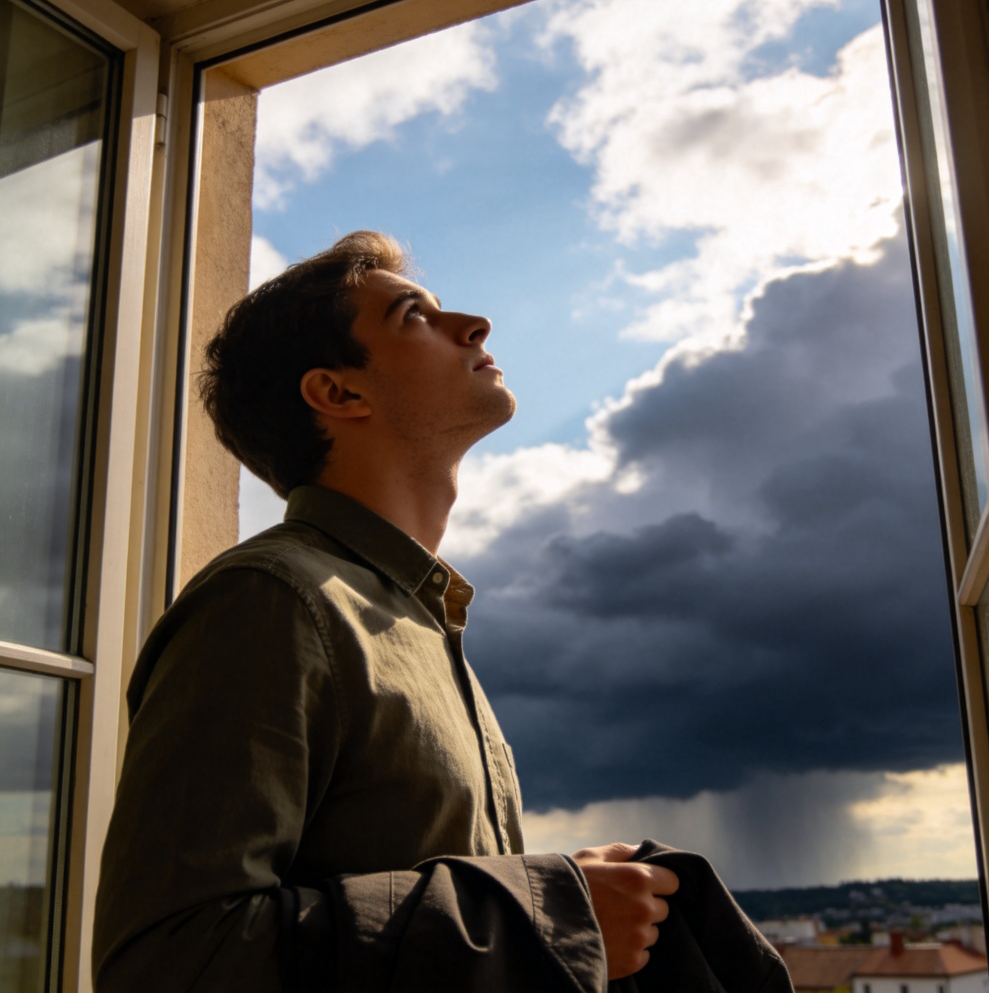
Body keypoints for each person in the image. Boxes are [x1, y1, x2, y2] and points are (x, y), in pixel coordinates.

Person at [92, 231, 680, 992]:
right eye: (414, 316)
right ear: (338, 394)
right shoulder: (270, 602)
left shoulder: (417, 618)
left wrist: (558, 895)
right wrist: (547, 914)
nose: (474, 325)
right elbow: (172, 960)